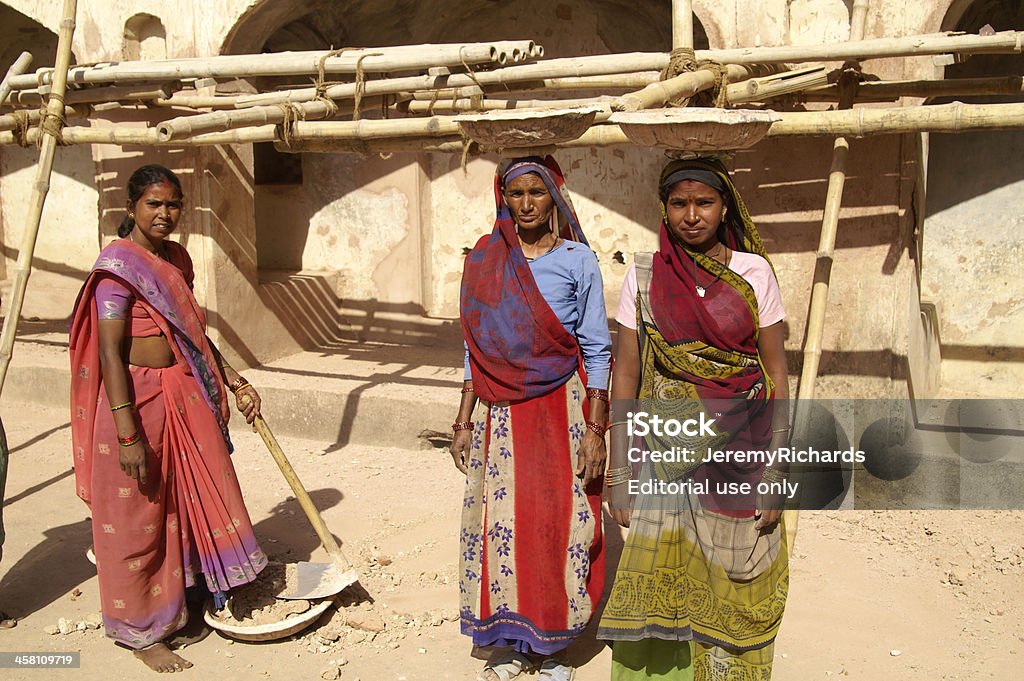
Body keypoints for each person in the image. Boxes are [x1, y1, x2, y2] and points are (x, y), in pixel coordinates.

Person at [597, 157, 791, 680]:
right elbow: (628, 376)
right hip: (667, 452)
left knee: (738, 584)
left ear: (724, 206)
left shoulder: (754, 273)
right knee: (661, 583)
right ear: (665, 208)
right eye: (679, 203)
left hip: (742, 452)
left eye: (703, 202)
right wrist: (619, 474)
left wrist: (776, 473)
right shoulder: (642, 275)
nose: (691, 215)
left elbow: (776, 373)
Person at [69, 164, 268, 673]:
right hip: (134, 401)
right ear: (132, 206)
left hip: (184, 392)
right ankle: (140, 630)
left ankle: (183, 601)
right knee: (138, 513)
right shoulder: (117, 268)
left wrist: (234, 381)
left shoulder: (176, 259)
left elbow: (191, 335)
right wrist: (127, 431)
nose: (164, 213)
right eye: (154, 204)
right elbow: (111, 354)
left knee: (186, 498)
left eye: (173, 204)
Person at [450, 156, 612, 681]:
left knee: (559, 525)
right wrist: (463, 420)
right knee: (503, 525)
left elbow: (597, 348)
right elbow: (475, 348)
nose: (525, 204)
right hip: (499, 416)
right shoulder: (484, 260)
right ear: (503, 197)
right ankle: (514, 640)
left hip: (560, 410)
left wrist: (596, 429)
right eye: (514, 194)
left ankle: (554, 644)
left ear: (554, 198)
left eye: (535, 194)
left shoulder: (577, 260)